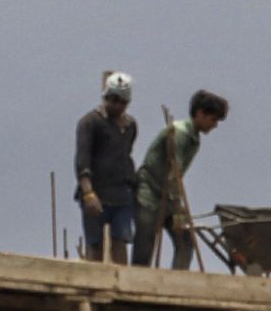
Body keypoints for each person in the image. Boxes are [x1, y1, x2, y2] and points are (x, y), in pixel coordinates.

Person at [131, 89, 228, 269]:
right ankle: (137, 282)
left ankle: (175, 280)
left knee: (185, 241)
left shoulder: (194, 138)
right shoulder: (180, 134)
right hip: (150, 192)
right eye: (213, 119)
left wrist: (176, 208)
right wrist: (177, 210)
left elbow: (176, 176)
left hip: (169, 195)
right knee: (145, 242)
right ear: (200, 113)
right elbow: (174, 173)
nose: (215, 125)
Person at [74, 71, 138, 264]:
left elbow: (125, 156)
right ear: (106, 98)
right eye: (114, 100)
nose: (118, 106)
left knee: (121, 241)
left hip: (121, 195)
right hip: (97, 194)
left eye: (123, 102)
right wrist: (88, 193)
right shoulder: (90, 123)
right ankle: (95, 284)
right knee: (96, 244)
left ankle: (120, 286)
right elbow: (82, 160)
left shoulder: (130, 126)